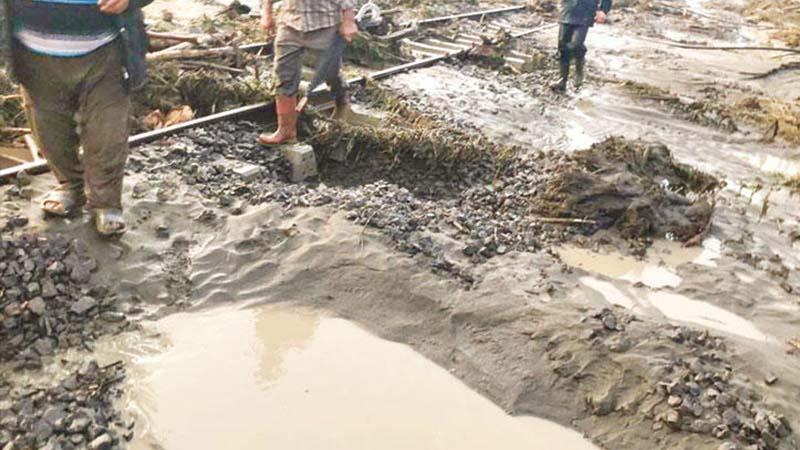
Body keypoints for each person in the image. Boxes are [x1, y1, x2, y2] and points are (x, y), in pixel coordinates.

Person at [0, 0, 150, 236]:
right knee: (50, 132)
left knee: (108, 132)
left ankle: (106, 202)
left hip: (106, 53)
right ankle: (69, 185)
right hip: (32, 56)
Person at [258, 0, 358, 146]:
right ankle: (286, 130)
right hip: (290, 23)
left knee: (331, 72)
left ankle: (341, 100)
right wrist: (267, 13)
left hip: (326, 25)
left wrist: (348, 21)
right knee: (284, 75)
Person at [553, 0, 612, 92]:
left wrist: (603, 10)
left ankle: (579, 68)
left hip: (586, 11)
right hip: (567, 9)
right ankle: (562, 80)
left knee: (576, 44)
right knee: (563, 46)